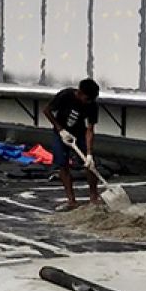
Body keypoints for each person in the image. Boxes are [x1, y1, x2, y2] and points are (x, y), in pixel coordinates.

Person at [42, 78, 101, 210]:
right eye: (87, 98)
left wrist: (89, 153)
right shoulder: (65, 96)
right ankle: (71, 201)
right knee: (63, 164)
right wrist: (60, 129)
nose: (89, 102)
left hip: (79, 133)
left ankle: (94, 197)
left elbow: (90, 130)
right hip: (61, 133)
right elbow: (47, 110)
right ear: (80, 93)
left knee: (90, 165)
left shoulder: (92, 105)